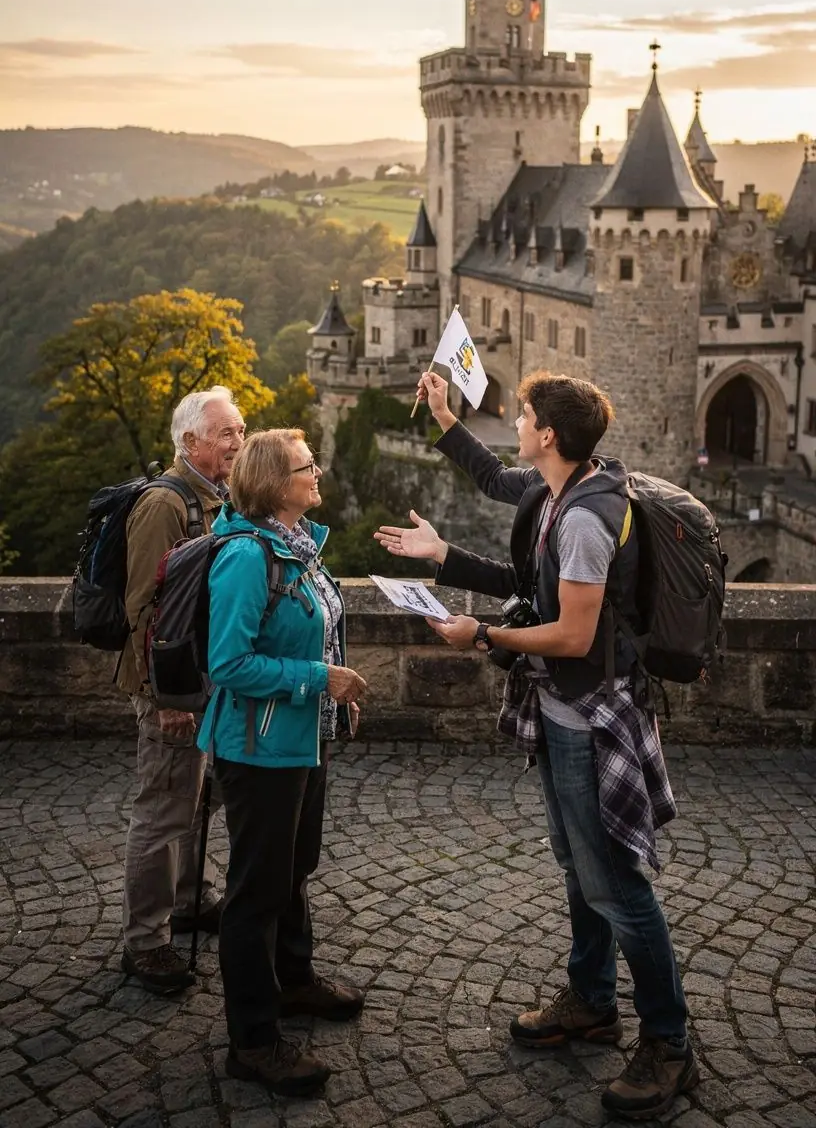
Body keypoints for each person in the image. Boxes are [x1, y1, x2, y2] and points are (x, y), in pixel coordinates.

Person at [375, 370, 697, 1122]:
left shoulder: (586, 518)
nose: (514, 424)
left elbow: (572, 633)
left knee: (617, 884)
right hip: (560, 710)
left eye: (521, 415)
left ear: (548, 435)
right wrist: (442, 552)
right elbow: (511, 530)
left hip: (591, 717)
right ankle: (591, 1000)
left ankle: (670, 1042)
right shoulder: (558, 488)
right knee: (580, 866)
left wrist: (480, 634)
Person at [198, 428, 367, 1097]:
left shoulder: (298, 546)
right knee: (254, 893)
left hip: (302, 737)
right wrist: (318, 679)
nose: (318, 471)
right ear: (275, 484)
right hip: (258, 746)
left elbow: (317, 624)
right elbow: (228, 663)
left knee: (295, 867)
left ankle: (293, 982)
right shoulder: (245, 557)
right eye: (307, 466)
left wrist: (333, 698)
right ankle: (254, 1042)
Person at [119, 385, 245, 994]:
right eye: (226, 433)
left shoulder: (216, 499)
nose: (238, 443)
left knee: (198, 798)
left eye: (241, 431)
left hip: (201, 683)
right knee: (166, 805)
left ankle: (192, 898)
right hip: (171, 689)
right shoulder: (165, 506)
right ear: (189, 442)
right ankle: (146, 942)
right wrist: (167, 699)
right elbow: (144, 609)